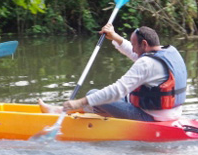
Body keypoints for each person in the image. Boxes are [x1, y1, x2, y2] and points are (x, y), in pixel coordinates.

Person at [39, 24, 186, 122]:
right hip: (173, 114)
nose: (133, 49)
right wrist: (114, 37)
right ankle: (62, 110)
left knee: (92, 95)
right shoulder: (169, 52)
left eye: (134, 45)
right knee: (98, 98)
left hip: (151, 118)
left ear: (144, 44)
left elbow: (117, 90)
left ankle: (62, 111)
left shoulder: (146, 63)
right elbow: (137, 55)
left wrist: (80, 101)